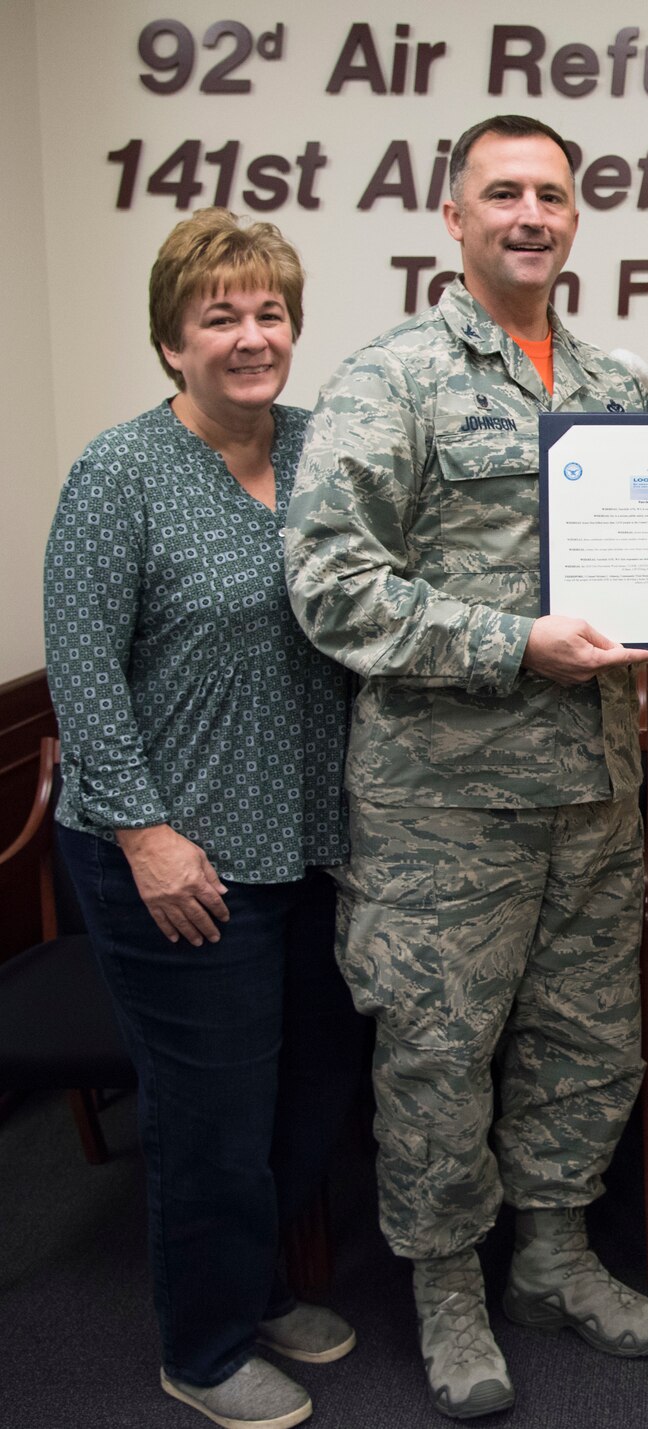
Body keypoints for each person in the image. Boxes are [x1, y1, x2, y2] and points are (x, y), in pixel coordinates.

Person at [283, 114, 648, 1421]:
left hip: (592, 797)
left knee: (586, 1044)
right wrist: (517, 642)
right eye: (502, 192)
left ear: (575, 220)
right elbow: (331, 585)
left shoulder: (622, 390)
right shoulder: (389, 379)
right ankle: (449, 1290)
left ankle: (554, 1259)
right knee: (438, 1061)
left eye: (551, 195)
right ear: (452, 219)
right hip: (439, 808)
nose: (530, 214)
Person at [43, 208, 368, 1429]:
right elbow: (82, 673)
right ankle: (205, 1340)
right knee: (213, 1115)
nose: (249, 336)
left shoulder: (325, 451)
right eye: (218, 316)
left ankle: (263, 1283)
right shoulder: (119, 474)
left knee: (309, 1094)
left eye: (268, 312)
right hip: (175, 857)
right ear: (172, 342)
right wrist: (146, 836)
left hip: (314, 846)